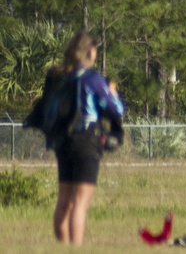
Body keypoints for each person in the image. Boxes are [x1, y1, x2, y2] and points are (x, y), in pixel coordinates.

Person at [25, 31, 124, 245]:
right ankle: (75, 248)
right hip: (87, 141)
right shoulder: (92, 78)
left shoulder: (58, 77)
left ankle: (63, 247)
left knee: (64, 202)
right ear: (90, 51)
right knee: (80, 203)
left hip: (63, 142)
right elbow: (115, 108)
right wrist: (115, 96)